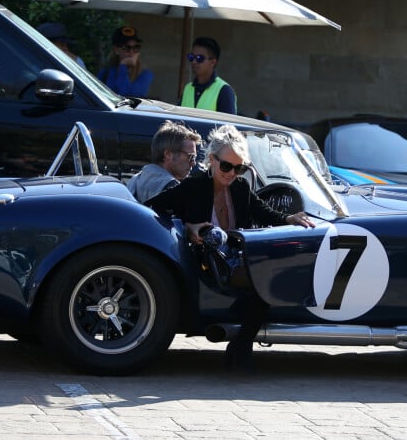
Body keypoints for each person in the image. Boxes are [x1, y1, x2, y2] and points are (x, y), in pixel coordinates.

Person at [146, 123, 315, 372]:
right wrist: (188, 228)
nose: (231, 173)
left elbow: (266, 213)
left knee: (265, 282)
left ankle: (241, 346)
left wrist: (291, 219)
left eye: (239, 168)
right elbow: (150, 210)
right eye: (226, 166)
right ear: (212, 160)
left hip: (236, 261)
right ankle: (239, 347)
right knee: (258, 284)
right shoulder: (193, 186)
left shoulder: (241, 188)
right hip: (203, 262)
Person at [127, 120, 202, 203]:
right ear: (168, 154)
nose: (193, 163)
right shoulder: (171, 188)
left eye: (194, 157)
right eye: (190, 156)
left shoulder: (136, 179)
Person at [180, 36, 237, 114]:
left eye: (200, 58)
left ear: (212, 62)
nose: (194, 61)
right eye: (191, 57)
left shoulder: (224, 91)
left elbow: (229, 125)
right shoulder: (187, 88)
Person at [97, 26, 153, 97]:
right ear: (116, 50)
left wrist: (123, 66)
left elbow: (129, 98)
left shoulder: (144, 74)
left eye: (136, 47)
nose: (131, 52)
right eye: (126, 47)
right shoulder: (106, 72)